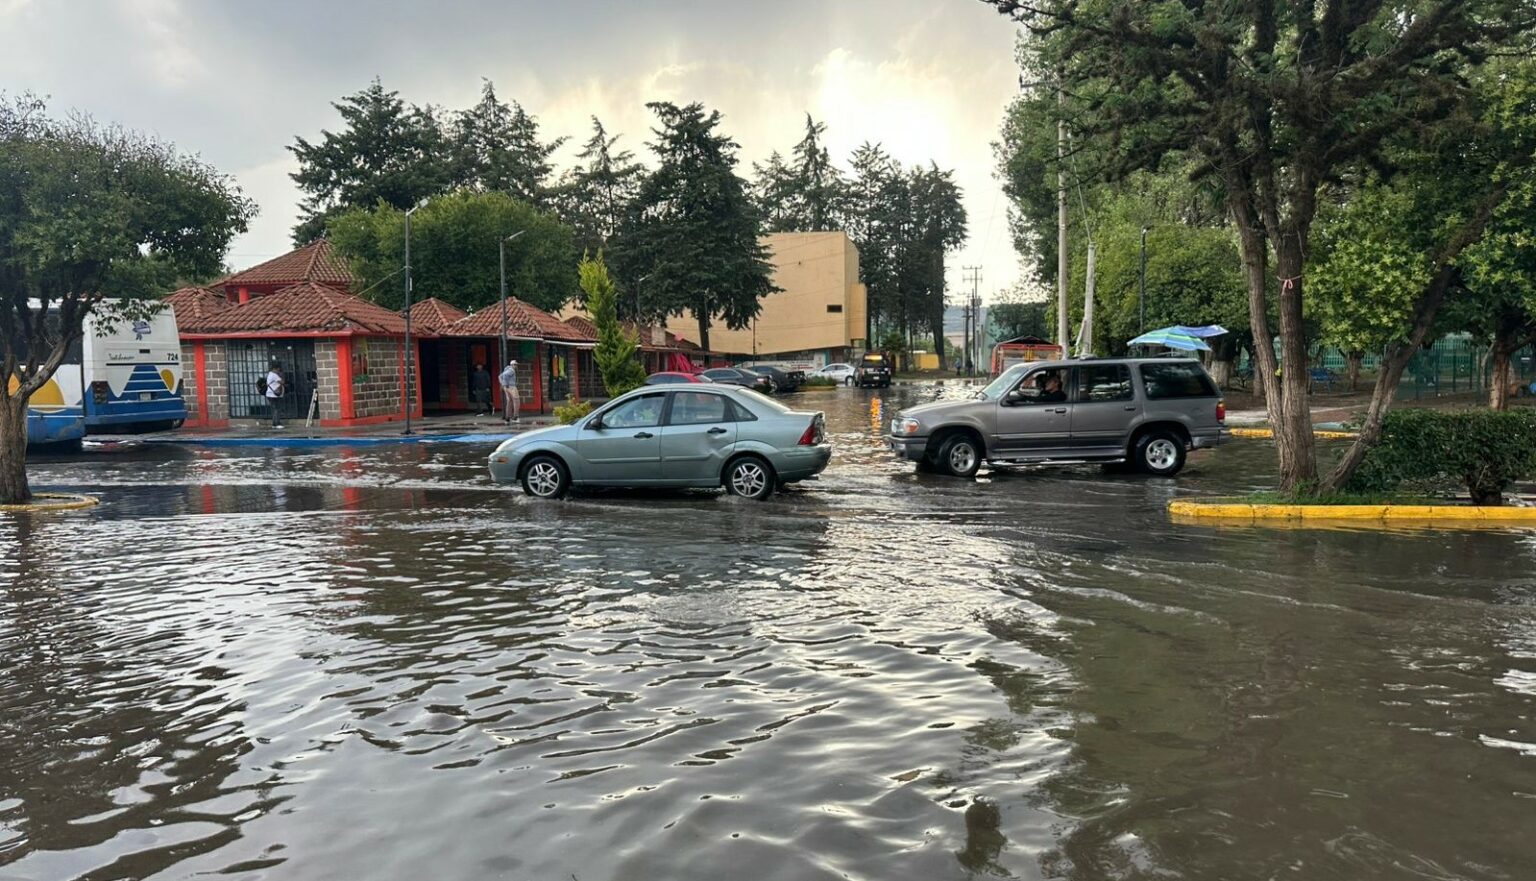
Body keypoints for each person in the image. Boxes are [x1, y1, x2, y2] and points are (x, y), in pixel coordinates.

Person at [264, 361, 286, 429]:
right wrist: (281, 375)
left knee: (274, 409)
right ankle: (277, 423)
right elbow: (282, 382)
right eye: (278, 369)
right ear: (275, 369)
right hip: (274, 395)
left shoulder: (270, 374)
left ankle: (274, 423)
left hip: (270, 394)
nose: (278, 371)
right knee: (277, 409)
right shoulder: (274, 375)